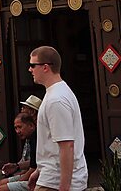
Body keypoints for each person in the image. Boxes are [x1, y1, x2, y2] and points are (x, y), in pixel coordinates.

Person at [27, 46, 87, 191]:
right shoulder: (57, 92)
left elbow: (67, 145)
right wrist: (39, 170)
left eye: (33, 65)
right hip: (51, 177)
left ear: (45, 67)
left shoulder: (56, 100)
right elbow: (51, 144)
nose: (30, 70)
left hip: (55, 183)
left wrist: (64, 187)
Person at [0, 113, 37, 191]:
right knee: (2, 182)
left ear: (31, 126)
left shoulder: (36, 139)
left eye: (20, 127)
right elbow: (33, 162)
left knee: (2, 189)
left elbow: (35, 167)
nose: (17, 131)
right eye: (15, 128)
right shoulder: (30, 139)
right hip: (31, 173)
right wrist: (16, 166)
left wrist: (20, 180)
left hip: (40, 178)